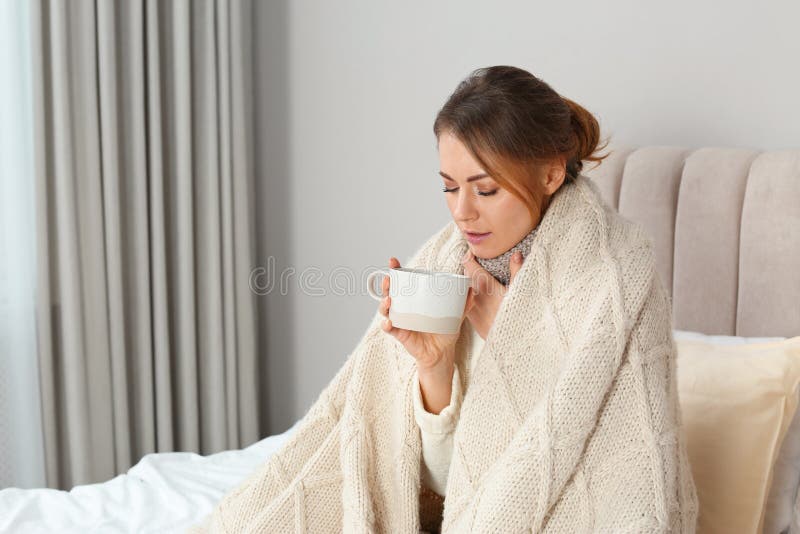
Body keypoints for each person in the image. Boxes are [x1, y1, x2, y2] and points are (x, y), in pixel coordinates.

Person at [190, 66, 698, 534]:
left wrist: (511, 336)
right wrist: (433, 368)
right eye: (450, 188)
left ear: (550, 173)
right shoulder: (443, 263)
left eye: (486, 190)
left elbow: (608, 483)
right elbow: (443, 487)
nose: (463, 213)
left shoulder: (619, 277)